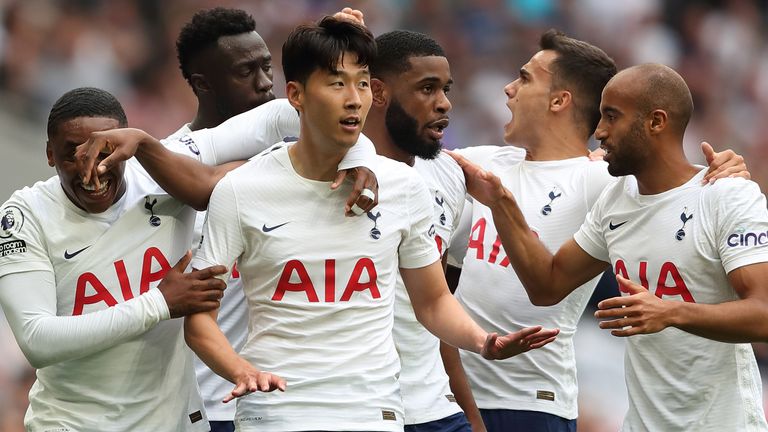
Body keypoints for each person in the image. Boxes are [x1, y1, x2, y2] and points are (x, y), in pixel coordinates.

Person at [185, 16, 558, 432]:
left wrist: (482, 341)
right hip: (277, 413)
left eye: (362, 83)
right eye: (336, 83)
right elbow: (199, 322)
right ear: (296, 94)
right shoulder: (241, 190)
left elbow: (433, 303)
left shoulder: (403, 186)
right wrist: (240, 370)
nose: (354, 99)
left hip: (375, 413)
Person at [445, 30, 750, 432]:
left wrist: (725, 171)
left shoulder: (601, 182)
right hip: (456, 394)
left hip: (534, 402)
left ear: (560, 100)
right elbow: (543, 283)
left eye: (525, 77)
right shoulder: (480, 165)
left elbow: (668, 174)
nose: (509, 88)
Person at [0, 87, 230, 431]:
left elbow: (277, 122)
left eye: (105, 152)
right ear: (49, 154)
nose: (91, 169)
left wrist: (342, 160)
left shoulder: (165, 173)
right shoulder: (23, 217)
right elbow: (37, 340)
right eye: (71, 154)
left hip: (173, 423)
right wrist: (159, 303)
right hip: (74, 424)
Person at [365, 29, 483, 431]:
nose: (444, 103)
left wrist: (472, 419)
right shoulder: (326, 174)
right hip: (358, 408)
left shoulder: (449, 174)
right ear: (377, 92)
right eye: (427, 89)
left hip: (434, 409)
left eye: (446, 89)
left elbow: (438, 307)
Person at [172, 9, 274, 432]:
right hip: (203, 407)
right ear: (203, 84)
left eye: (267, 66)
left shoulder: (295, 157)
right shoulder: (167, 172)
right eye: (246, 71)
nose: (265, 82)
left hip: (280, 402)